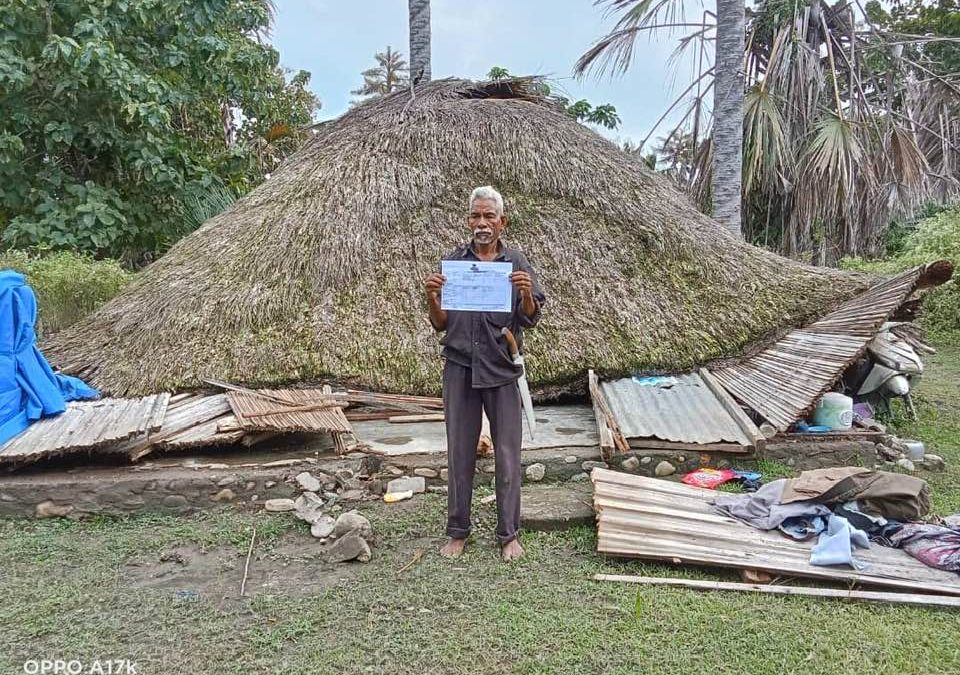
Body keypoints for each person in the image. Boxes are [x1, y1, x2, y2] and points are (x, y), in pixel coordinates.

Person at [423, 185, 545, 562]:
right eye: (475, 216)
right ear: (468, 221)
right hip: (460, 367)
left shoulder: (517, 264)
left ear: (501, 222)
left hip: (501, 368)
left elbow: (531, 318)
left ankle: (508, 534)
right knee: (460, 452)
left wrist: (525, 293)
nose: (481, 223)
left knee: (508, 454)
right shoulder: (454, 264)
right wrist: (432, 298)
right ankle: (458, 531)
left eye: (489, 216)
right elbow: (440, 324)